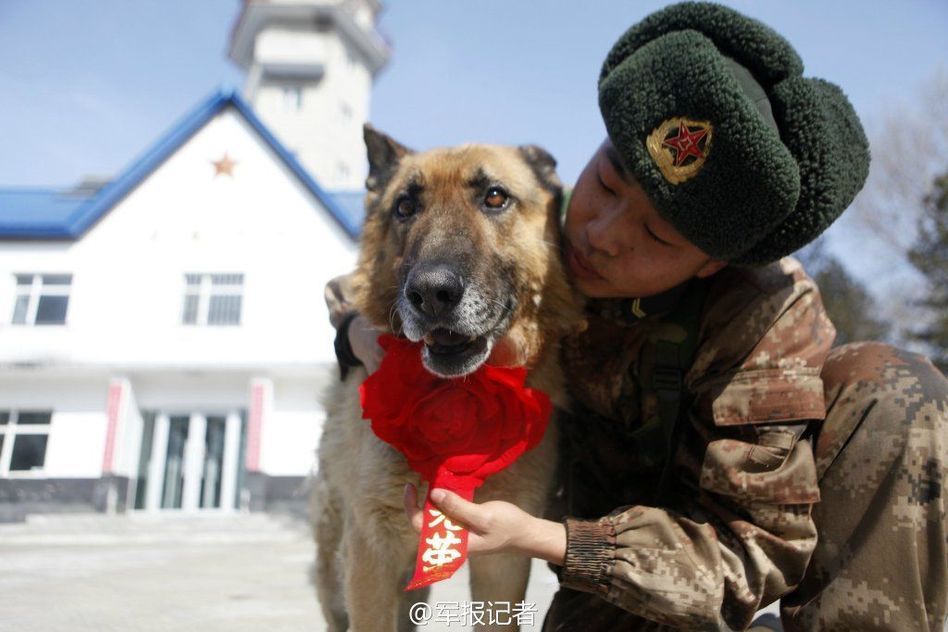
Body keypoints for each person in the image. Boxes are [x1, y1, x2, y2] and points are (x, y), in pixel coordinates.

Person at [325, 3, 948, 630]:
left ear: (709, 264)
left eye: (654, 232)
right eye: (606, 181)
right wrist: (356, 332)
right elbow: (379, 274)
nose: (600, 234)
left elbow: (756, 550)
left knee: (888, 386)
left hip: (668, 551)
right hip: (600, 563)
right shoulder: (536, 222)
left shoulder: (765, 314)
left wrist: (554, 542)